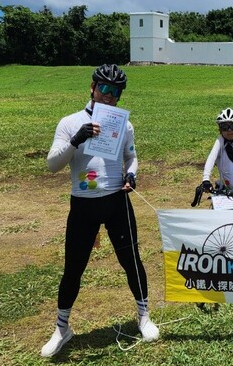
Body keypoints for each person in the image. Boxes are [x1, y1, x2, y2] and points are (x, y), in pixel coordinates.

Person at [41, 64, 158, 358]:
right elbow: (52, 164)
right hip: (83, 204)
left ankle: (143, 316)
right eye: (104, 88)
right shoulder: (70, 122)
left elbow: (131, 158)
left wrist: (132, 175)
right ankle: (62, 327)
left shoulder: (124, 125)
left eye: (115, 92)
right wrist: (76, 139)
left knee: (131, 260)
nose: (109, 96)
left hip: (117, 201)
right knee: (73, 269)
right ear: (92, 88)